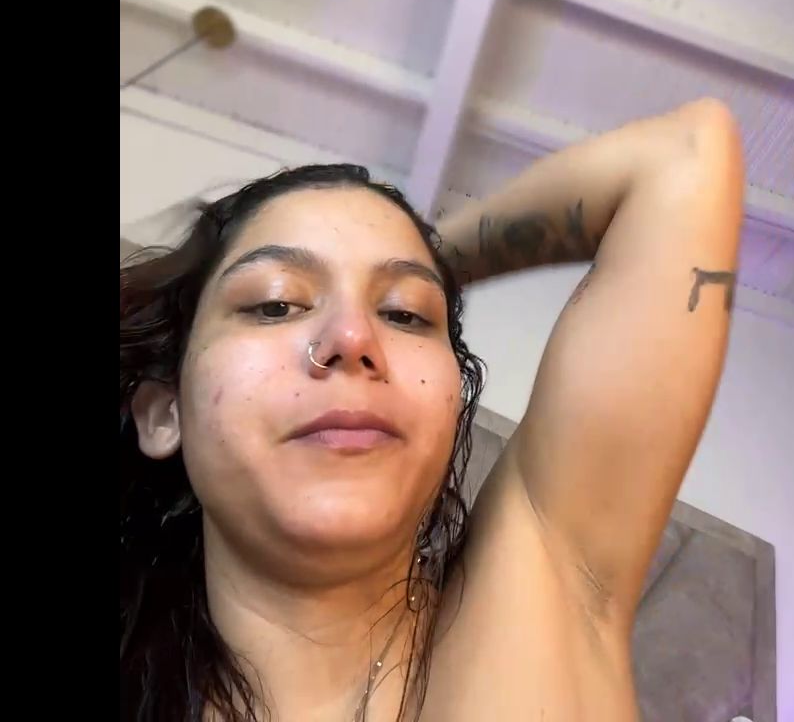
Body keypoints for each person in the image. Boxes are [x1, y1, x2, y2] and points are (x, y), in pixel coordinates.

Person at [120, 97, 744, 721]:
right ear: (163, 412)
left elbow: (685, 154)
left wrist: (431, 263)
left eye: (404, 314)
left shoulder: (543, 594)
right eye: (276, 304)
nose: (353, 337)